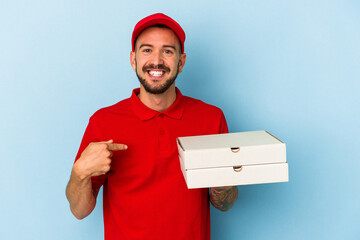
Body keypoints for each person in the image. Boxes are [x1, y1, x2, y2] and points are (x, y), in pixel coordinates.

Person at [66, 13, 238, 240]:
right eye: (147, 50)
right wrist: (80, 173)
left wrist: (223, 185)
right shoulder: (103, 121)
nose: (156, 60)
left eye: (168, 51)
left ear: (181, 62)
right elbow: (80, 211)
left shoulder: (211, 118)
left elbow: (224, 205)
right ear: (133, 59)